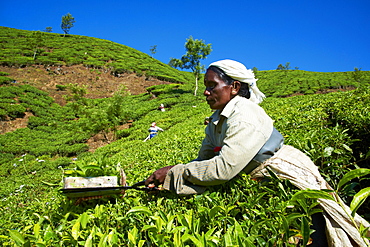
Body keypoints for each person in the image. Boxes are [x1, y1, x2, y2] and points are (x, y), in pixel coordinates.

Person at [145, 59, 370, 246]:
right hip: (260, 180)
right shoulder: (215, 121)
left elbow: (223, 169)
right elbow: (203, 162)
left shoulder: (245, 114)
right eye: (205, 85)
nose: (205, 92)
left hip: (285, 176)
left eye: (212, 85)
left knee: (313, 234)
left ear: (233, 87)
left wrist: (174, 172)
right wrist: (170, 182)